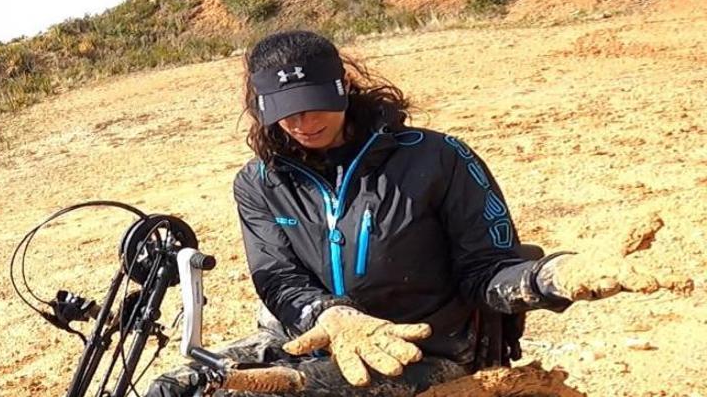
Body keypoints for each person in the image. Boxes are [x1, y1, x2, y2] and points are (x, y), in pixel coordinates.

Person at [146, 30, 667, 396]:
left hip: (426, 350)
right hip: (311, 336)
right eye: (284, 112)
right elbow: (278, 278)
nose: (303, 123)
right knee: (177, 385)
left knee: (276, 395)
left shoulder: (438, 158)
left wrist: (553, 275)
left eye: (313, 103)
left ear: (343, 87)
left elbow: (486, 270)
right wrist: (333, 316)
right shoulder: (259, 182)